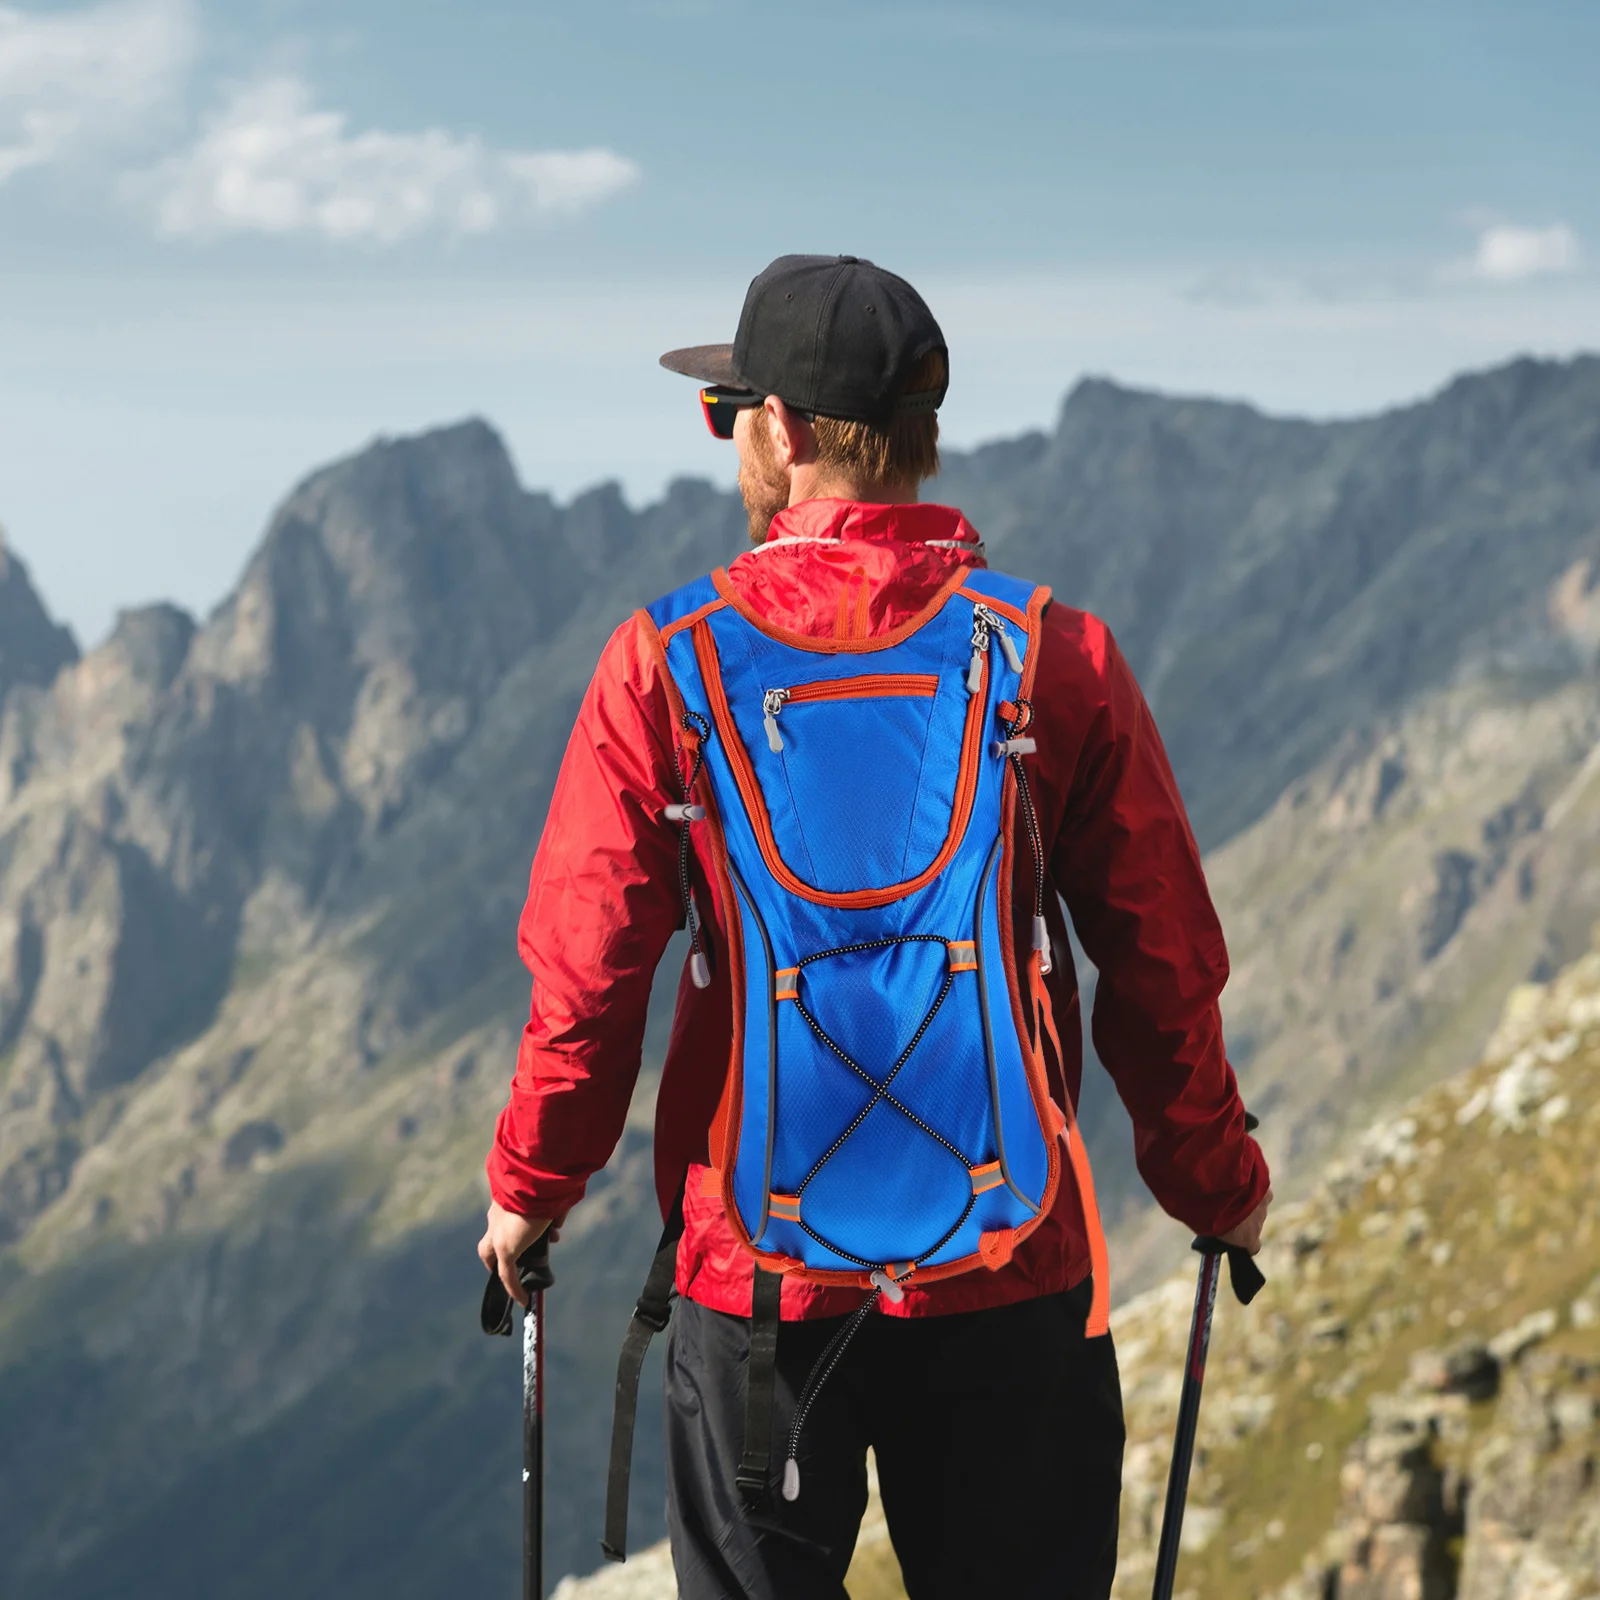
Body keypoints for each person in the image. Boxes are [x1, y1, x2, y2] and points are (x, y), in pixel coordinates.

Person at [479, 254, 1271, 1600]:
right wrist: (1218, 1187)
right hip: (1014, 1267)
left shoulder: (661, 665)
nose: (731, 438)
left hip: (760, 1288)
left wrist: (529, 1187)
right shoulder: (1052, 654)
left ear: (782, 430)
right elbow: (1161, 964)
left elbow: (591, 980)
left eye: (728, 411)